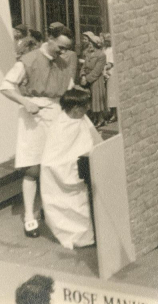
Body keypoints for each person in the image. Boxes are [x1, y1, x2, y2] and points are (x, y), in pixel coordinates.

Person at [0, 23, 76, 238]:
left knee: (56, 167)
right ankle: (29, 216)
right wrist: (24, 102)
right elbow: (5, 86)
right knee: (33, 169)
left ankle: (52, 212)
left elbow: (68, 90)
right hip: (34, 117)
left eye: (66, 48)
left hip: (57, 116)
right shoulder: (30, 59)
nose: (63, 52)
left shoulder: (63, 63)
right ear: (49, 38)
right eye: (60, 47)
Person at [40, 88, 97, 250]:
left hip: (83, 167)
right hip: (61, 176)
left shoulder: (82, 119)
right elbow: (52, 160)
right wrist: (73, 167)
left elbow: (92, 142)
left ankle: (89, 233)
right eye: (85, 107)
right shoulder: (60, 127)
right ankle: (79, 237)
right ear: (74, 109)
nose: (88, 109)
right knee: (73, 205)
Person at [80, 31, 107, 127]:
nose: (89, 45)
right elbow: (84, 66)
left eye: (91, 43)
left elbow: (97, 71)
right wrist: (82, 75)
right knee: (90, 101)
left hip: (96, 80)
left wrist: (87, 79)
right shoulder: (89, 54)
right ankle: (95, 118)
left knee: (96, 101)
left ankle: (101, 119)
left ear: (96, 44)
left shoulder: (101, 55)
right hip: (87, 79)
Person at [102, 33, 118, 123]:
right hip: (105, 72)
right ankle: (110, 112)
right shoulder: (105, 49)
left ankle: (114, 114)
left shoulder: (112, 49)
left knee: (112, 93)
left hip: (111, 72)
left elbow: (111, 63)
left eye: (109, 39)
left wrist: (104, 68)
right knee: (108, 94)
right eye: (106, 39)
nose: (107, 40)